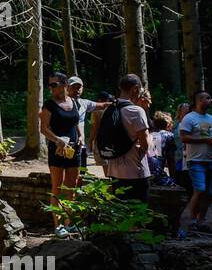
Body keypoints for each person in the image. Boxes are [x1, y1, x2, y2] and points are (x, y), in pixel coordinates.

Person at [95, 73, 152, 205]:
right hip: (135, 172)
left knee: (120, 214)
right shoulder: (136, 111)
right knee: (137, 215)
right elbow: (146, 146)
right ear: (135, 88)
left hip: (114, 172)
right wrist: (149, 135)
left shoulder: (109, 109)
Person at [39, 71, 82, 224]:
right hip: (57, 150)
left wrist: (80, 136)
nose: (51, 88)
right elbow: (43, 129)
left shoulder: (74, 101)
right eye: (49, 85)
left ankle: (69, 224)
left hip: (74, 150)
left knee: (72, 187)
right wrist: (57, 140)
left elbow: (75, 123)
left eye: (54, 85)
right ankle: (58, 226)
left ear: (64, 84)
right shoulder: (49, 105)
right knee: (57, 187)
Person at [178, 91, 212, 235]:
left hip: (211, 160)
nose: (211, 100)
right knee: (200, 189)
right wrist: (204, 140)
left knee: (209, 192)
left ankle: (201, 220)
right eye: (208, 98)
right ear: (199, 100)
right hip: (195, 160)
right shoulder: (189, 118)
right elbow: (184, 138)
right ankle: (191, 221)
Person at [66, 77, 97, 174]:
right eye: (74, 87)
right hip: (66, 144)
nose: (77, 90)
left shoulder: (85, 103)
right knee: (67, 174)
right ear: (67, 88)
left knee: (81, 173)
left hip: (81, 146)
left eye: (79, 87)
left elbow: (102, 105)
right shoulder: (61, 103)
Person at [148, 111, 176, 184]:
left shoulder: (148, 135)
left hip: (145, 174)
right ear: (168, 124)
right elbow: (171, 160)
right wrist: (173, 178)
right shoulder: (169, 136)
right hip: (157, 176)